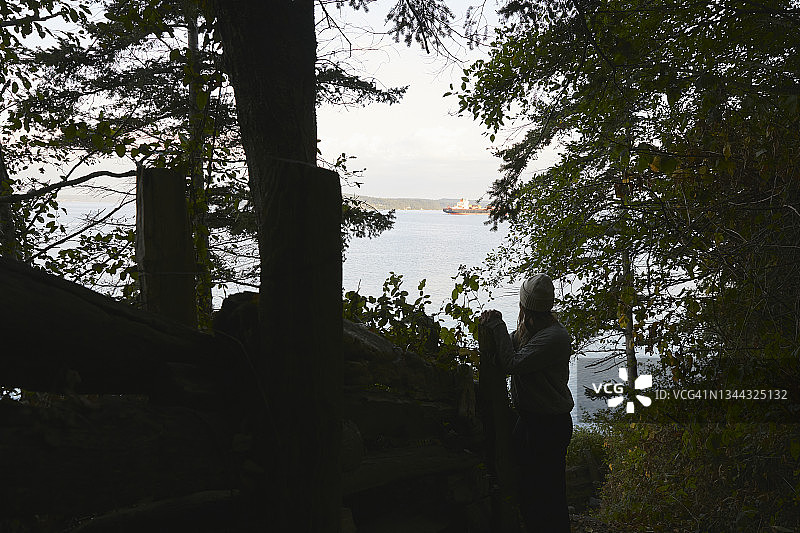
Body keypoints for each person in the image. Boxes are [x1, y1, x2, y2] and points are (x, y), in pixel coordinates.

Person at [480, 273, 574, 532]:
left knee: (548, 495)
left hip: (549, 425)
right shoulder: (530, 331)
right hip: (531, 421)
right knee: (528, 491)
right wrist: (496, 332)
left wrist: (496, 326)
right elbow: (508, 350)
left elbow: (513, 363)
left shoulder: (554, 337)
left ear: (524, 304)